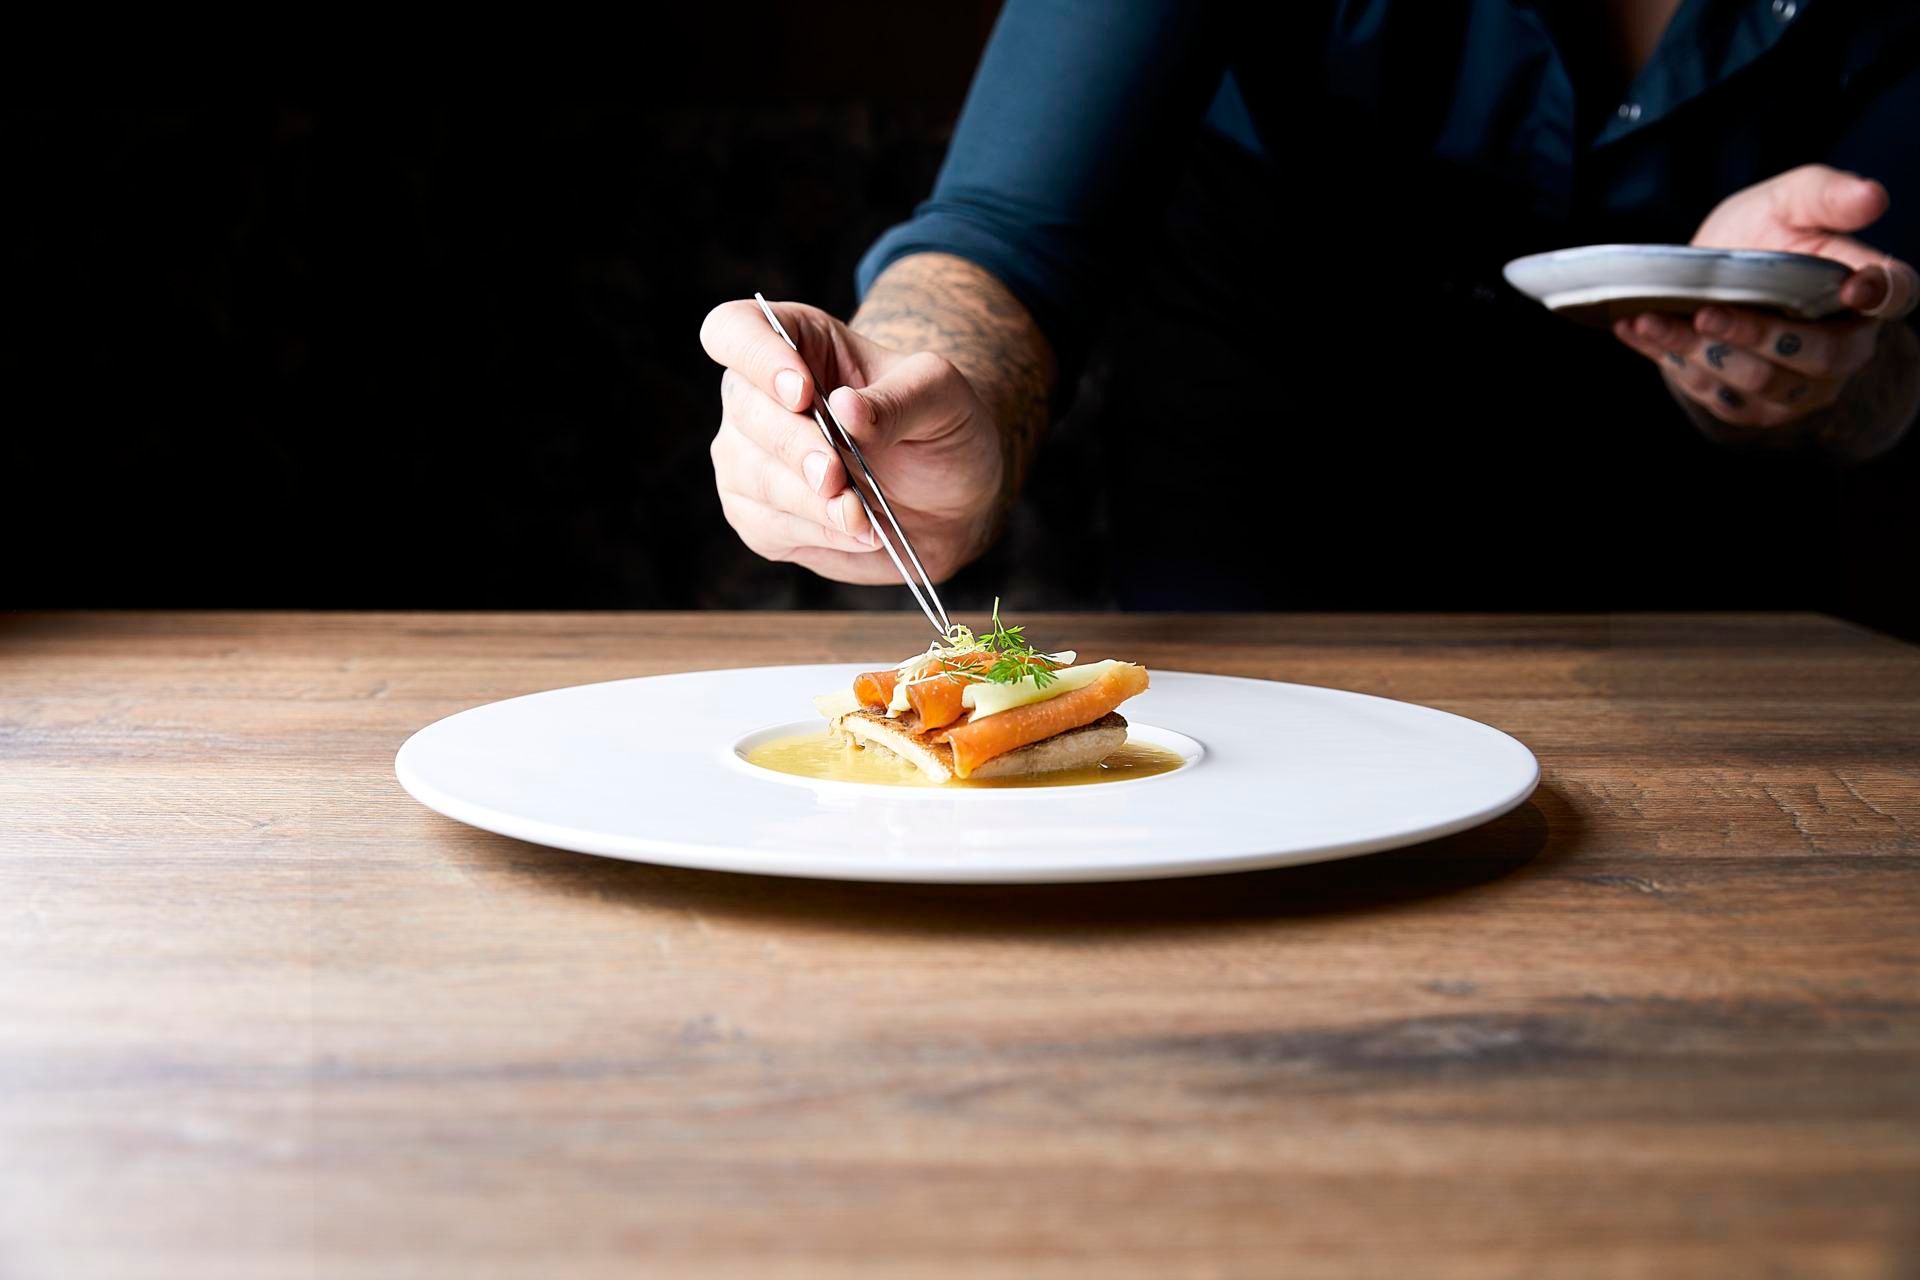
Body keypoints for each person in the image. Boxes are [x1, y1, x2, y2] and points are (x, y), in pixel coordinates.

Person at [701, 1, 1920, 610]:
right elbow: (1007, 227)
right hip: (1269, 465)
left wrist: (1810, 359)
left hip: (1706, 567)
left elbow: (1886, 368)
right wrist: (902, 396)